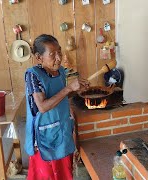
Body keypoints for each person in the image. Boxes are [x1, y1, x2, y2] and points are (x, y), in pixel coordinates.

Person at [24, 34, 89, 180]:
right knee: (46, 175)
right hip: (43, 136)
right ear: (39, 57)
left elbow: (60, 98)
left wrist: (76, 91)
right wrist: (68, 88)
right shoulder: (34, 75)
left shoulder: (60, 72)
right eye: (52, 54)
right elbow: (42, 107)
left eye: (59, 52)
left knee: (64, 173)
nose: (58, 58)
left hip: (61, 132)